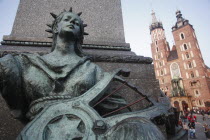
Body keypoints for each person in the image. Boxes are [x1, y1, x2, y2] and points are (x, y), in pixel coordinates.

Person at [0, 8, 168, 140]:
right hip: (37, 131)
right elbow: (17, 106)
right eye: (67, 19)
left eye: (76, 22)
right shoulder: (23, 64)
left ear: (80, 34)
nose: (72, 22)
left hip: (86, 133)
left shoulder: (92, 71)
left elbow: (118, 109)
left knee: (142, 129)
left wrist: (151, 113)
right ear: (55, 27)